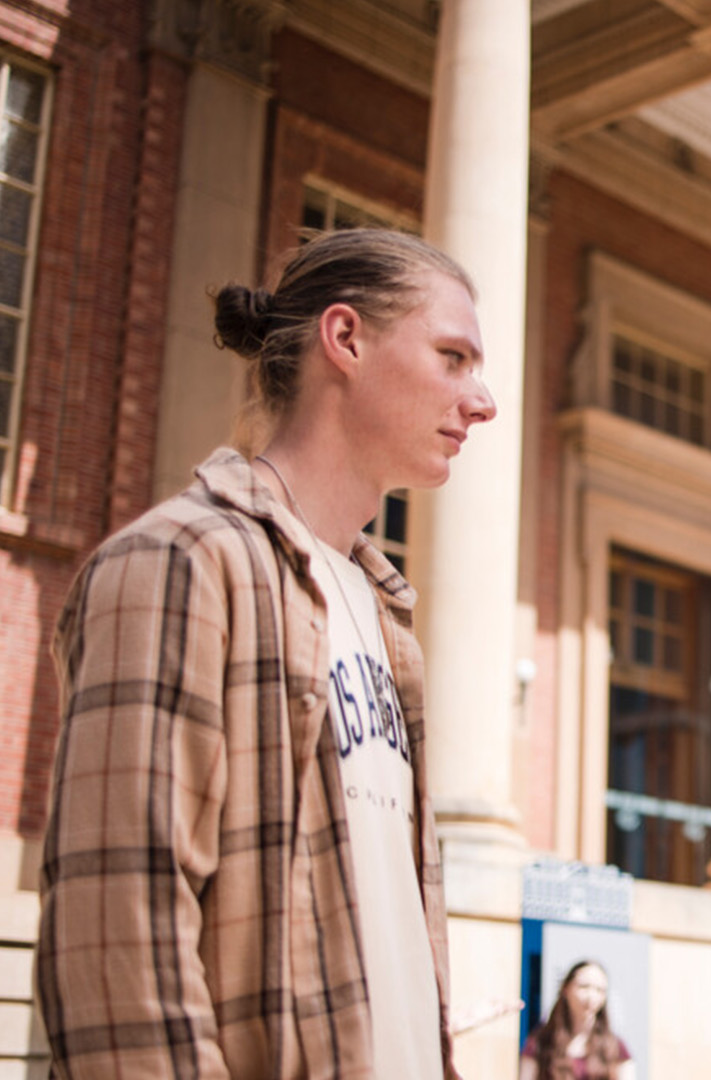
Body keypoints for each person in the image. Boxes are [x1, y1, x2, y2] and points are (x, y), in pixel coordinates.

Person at [37, 228, 496, 1077]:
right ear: (346, 338)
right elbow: (118, 949)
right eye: (453, 357)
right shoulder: (182, 561)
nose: (483, 401)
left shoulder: (385, 613)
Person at [520, 960, 637, 1080]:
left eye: (599, 990)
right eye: (584, 987)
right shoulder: (540, 1042)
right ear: (566, 989)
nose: (591, 997)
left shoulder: (615, 1047)